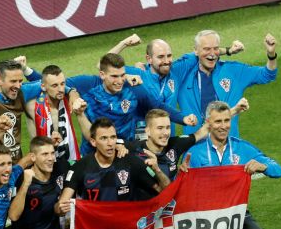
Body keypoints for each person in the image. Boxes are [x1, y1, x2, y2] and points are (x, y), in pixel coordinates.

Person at [186, 100, 281, 229]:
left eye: (227, 120)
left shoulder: (242, 148)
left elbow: (278, 170)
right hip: (203, 217)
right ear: (208, 123)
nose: (223, 126)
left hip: (236, 214)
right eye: (218, 121)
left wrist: (263, 166)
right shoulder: (194, 152)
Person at [69, 53, 197, 156]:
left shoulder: (134, 88)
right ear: (102, 75)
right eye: (114, 76)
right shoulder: (89, 85)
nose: (119, 81)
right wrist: (72, 93)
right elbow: (57, 84)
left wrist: (182, 118)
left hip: (125, 153)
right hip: (93, 155)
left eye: (122, 75)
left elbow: (157, 105)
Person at [170, 30, 278, 136]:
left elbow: (267, 74)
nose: (212, 54)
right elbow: (166, 66)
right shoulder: (183, 76)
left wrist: (271, 54)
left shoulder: (233, 71)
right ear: (196, 51)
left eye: (216, 48)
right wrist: (227, 50)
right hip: (196, 147)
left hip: (228, 145)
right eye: (207, 49)